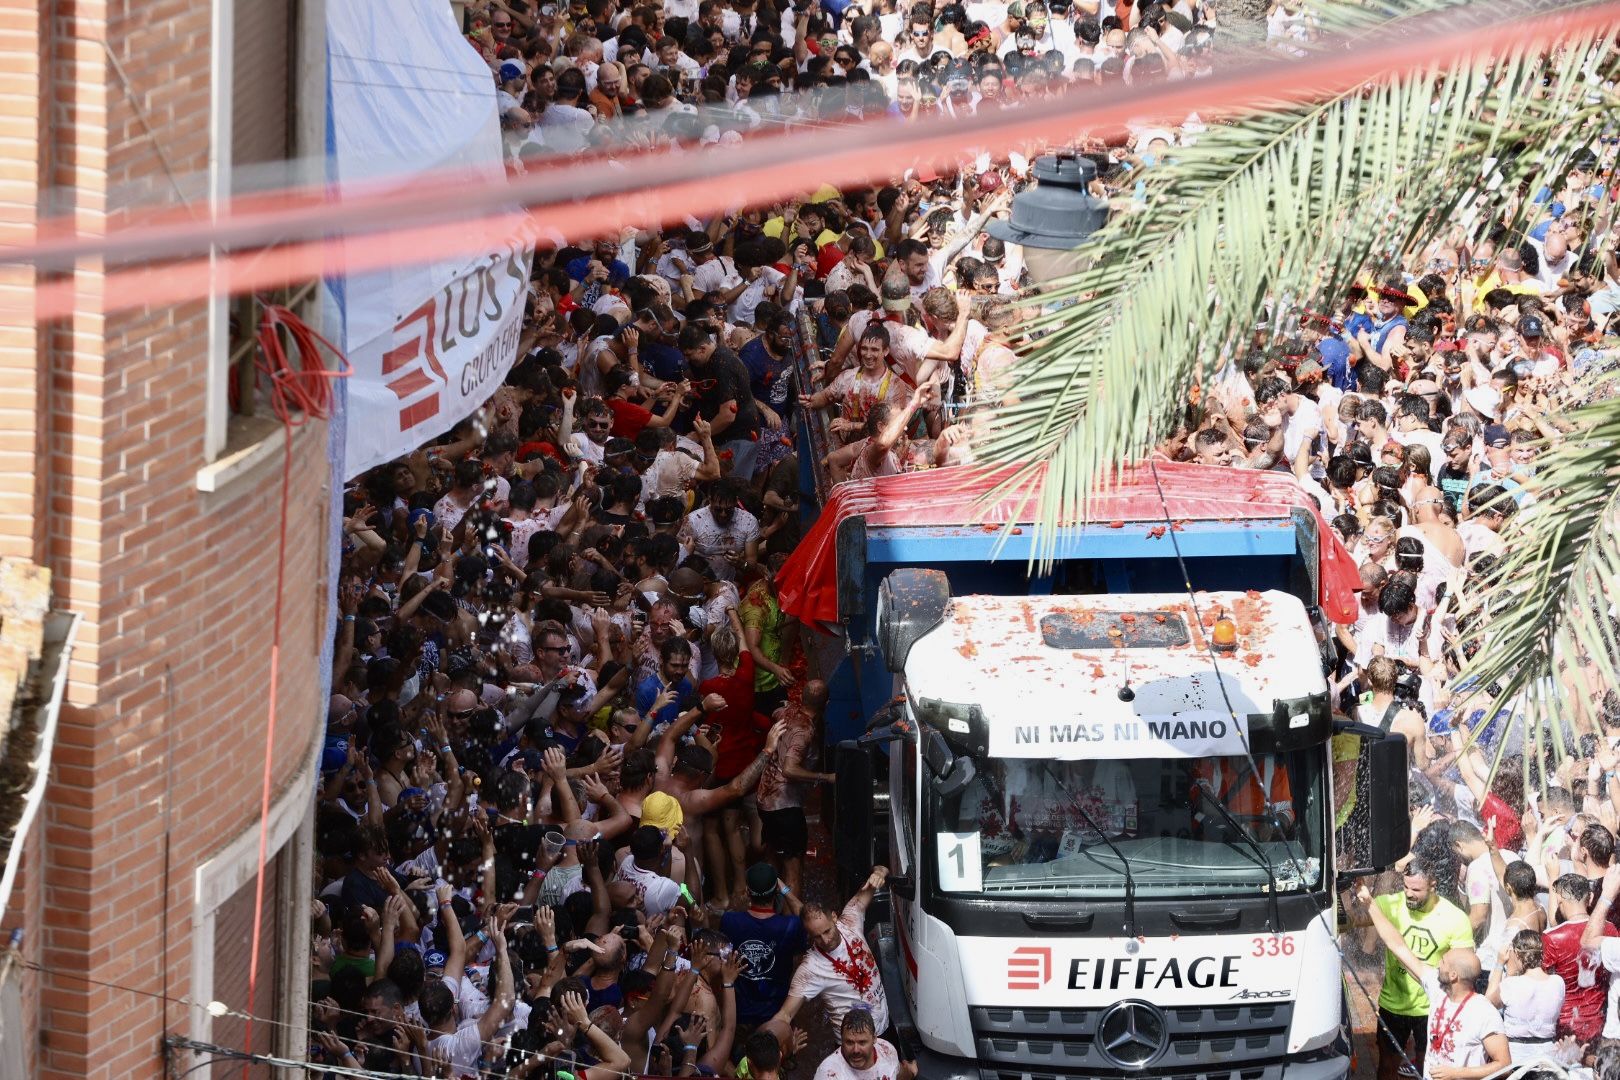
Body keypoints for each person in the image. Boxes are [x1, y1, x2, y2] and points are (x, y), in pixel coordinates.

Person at [1362, 881, 1509, 1080]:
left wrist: (1457, 1074)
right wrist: (1370, 903)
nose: (1438, 962)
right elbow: (1398, 946)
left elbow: (1504, 1065)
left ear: (1453, 976)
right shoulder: (1438, 989)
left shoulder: (1484, 1012)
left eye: (1444, 961)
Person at [1350, 864, 1477, 1080]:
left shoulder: (1455, 918)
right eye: (1406, 887)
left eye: (1416, 890)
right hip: (1394, 1003)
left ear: (1433, 885)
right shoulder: (1391, 904)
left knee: (1430, 1068)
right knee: (1387, 1067)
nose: (1409, 894)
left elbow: (1466, 968)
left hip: (1433, 1007)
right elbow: (1354, 920)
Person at [763, 865, 892, 1044]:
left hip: (883, 1027)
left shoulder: (850, 920)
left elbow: (881, 868)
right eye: (816, 937)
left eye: (827, 931)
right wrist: (768, 1042)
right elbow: (785, 1014)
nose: (825, 940)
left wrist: (879, 874)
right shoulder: (810, 969)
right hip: (852, 1045)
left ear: (834, 917)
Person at [1485, 929, 1564, 1065]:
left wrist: (1500, 964)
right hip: (1548, 1057)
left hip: (1516, 1059)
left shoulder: (1511, 984)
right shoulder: (1558, 982)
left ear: (1516, 953)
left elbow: (1488, 1003)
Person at [813, 1007, 918, 1079]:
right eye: (849, 1042)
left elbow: (898, 1073)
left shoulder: (886, 1050)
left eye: (862, 1042)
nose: (856, 1050)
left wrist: (911, 1072)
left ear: (874, 1039)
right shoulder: (828, 1074)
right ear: (842, 1040)